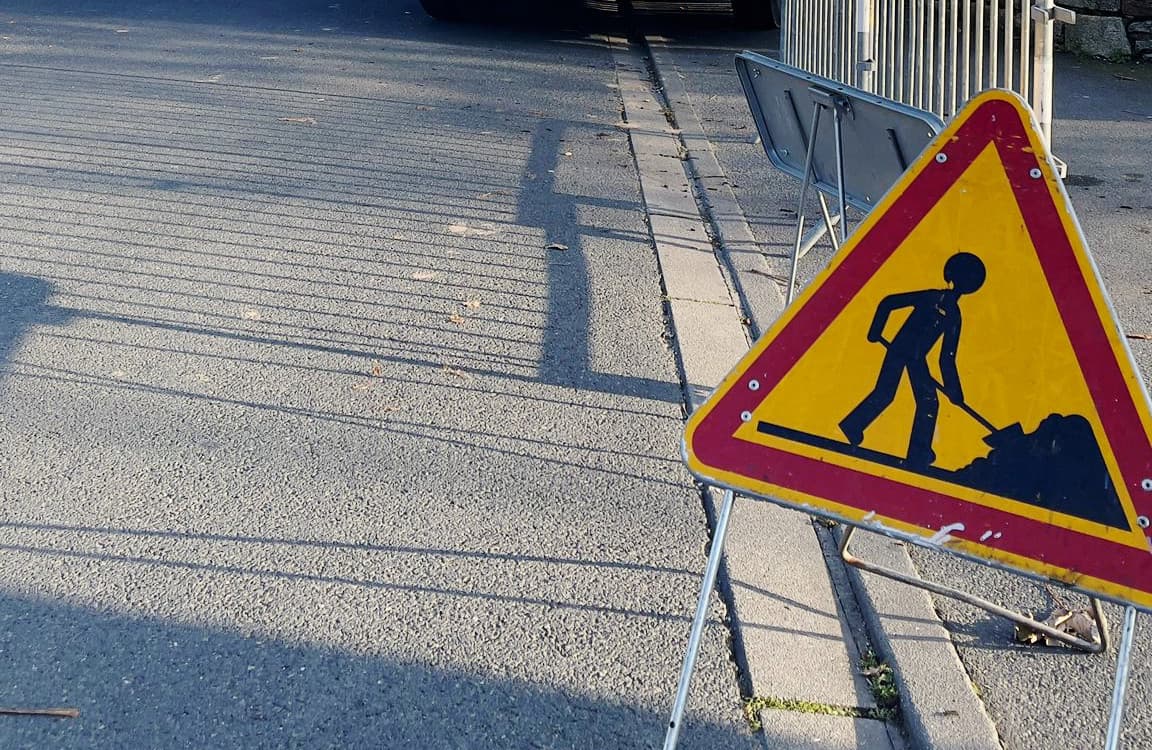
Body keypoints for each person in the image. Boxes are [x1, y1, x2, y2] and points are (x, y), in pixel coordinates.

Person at [838, 252, 986, 467]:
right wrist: (875, 331)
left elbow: (947, 357)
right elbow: (889, 302)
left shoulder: (953, 314)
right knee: (887, 394)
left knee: (925, 402)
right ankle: (855, 427)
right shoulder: (932, 298)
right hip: (899, 350)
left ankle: (917, 452)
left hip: (917, 358)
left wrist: (955, 391)